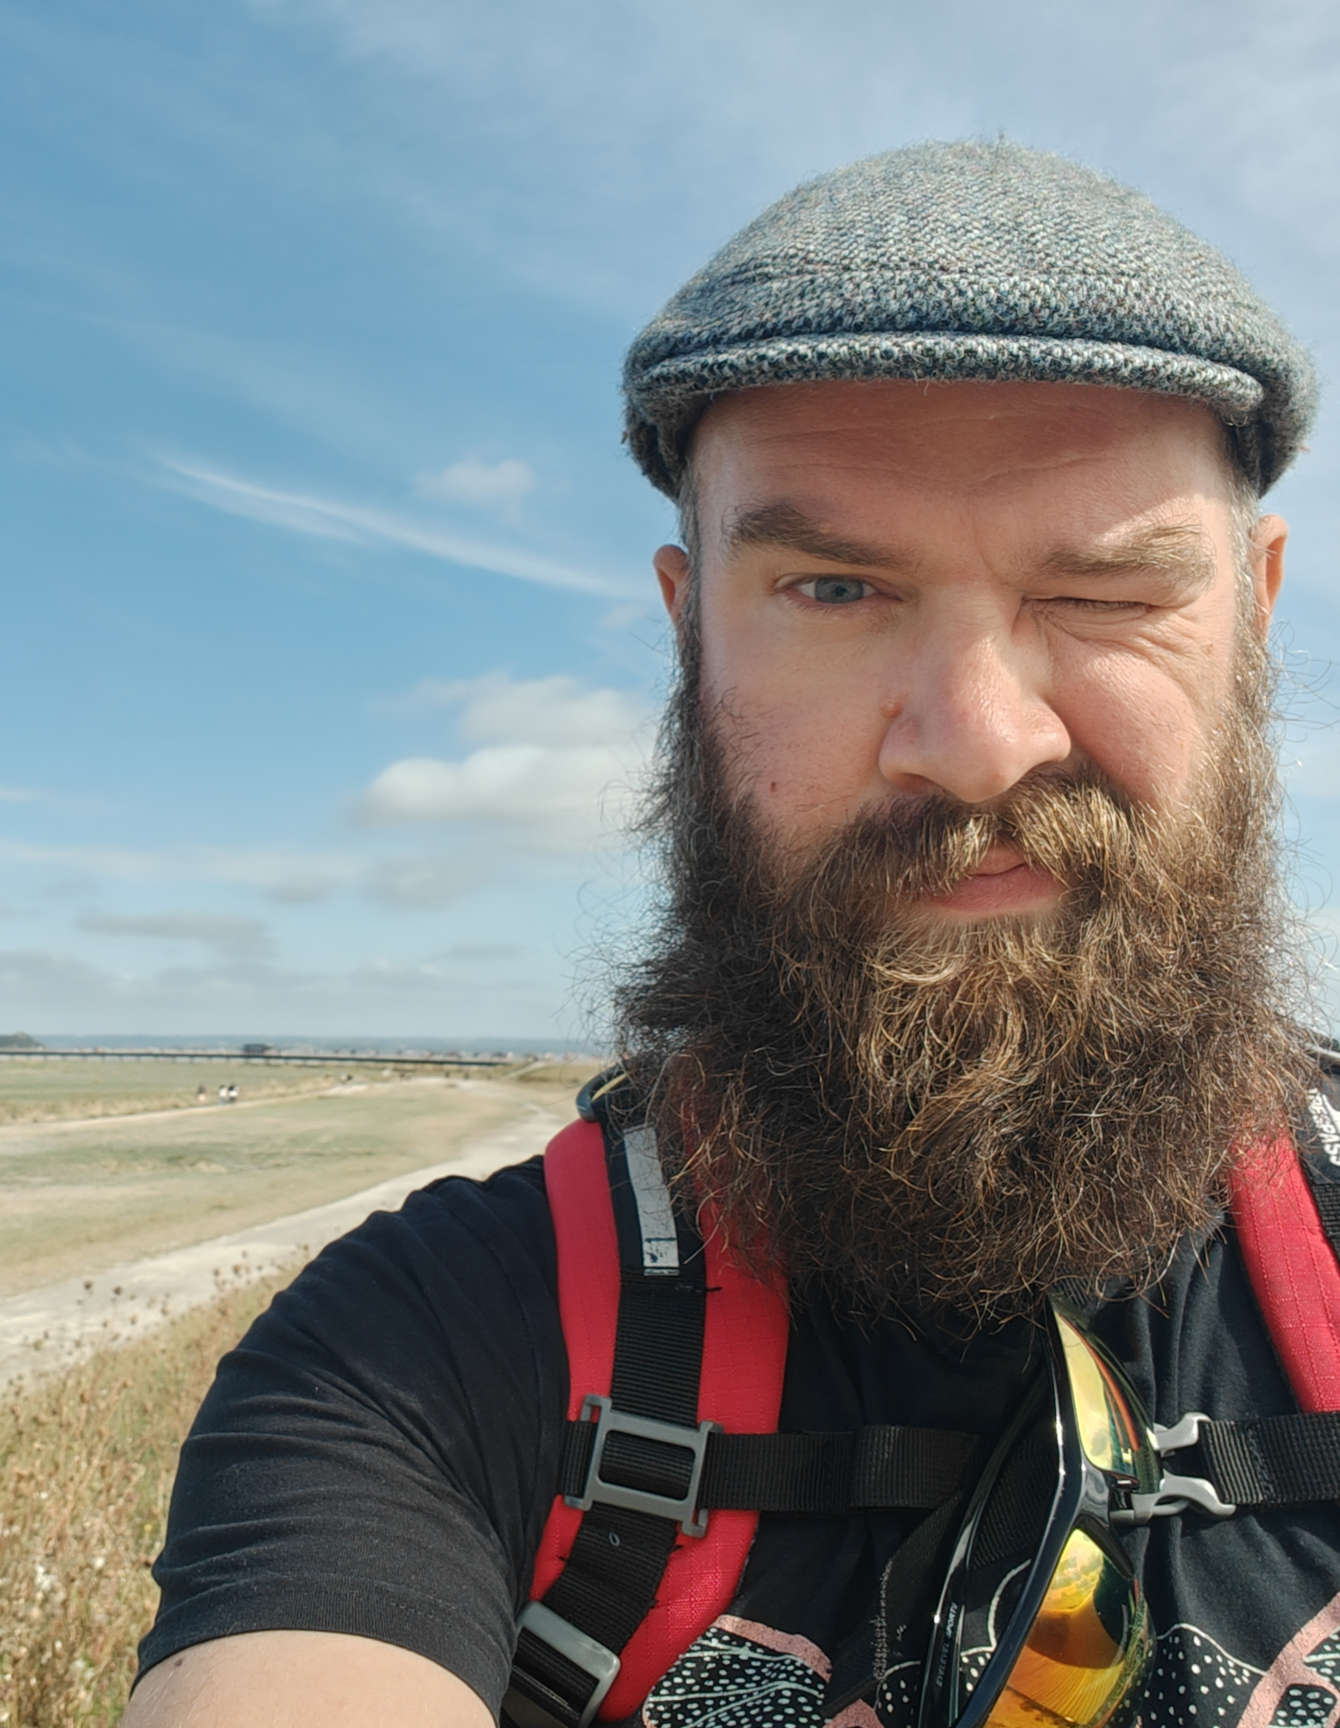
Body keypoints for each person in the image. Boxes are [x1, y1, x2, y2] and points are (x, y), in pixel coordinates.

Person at [122, 141, 1340, 1728]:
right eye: (837, 590)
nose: (974, 744)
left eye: (1104, 595)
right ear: (688, 629)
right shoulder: (421, 1361)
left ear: (1253, 610)